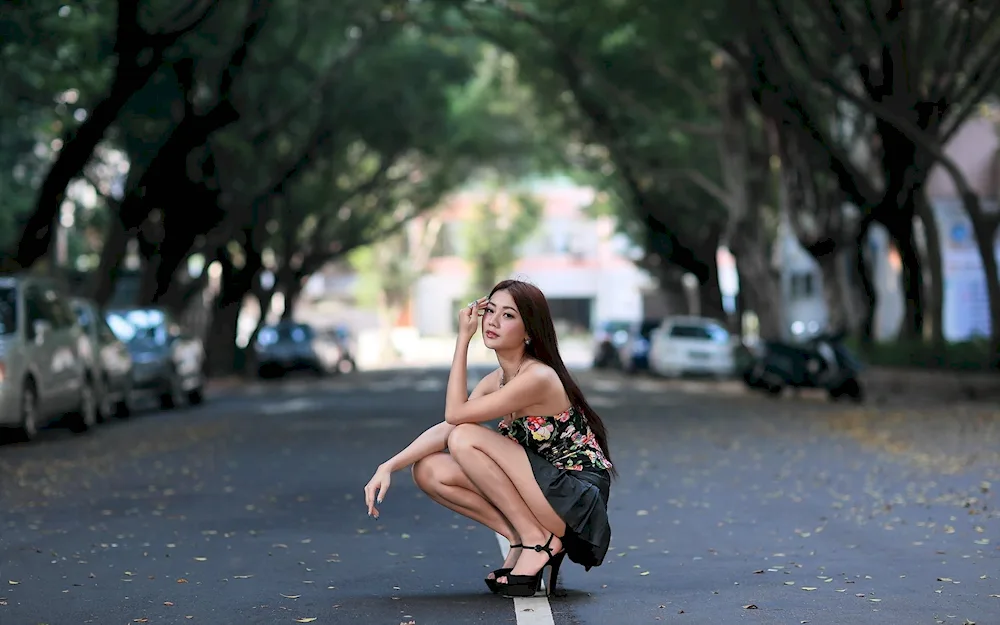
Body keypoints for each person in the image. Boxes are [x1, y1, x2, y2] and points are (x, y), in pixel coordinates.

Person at [363, 279, 614, 598]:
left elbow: (456, 417)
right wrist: (388, 466)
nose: (493, 321)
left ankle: (539, 541)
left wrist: (462, 340)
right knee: (427, 470)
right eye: (490, 310)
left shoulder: (537, 376)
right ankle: (522, 538)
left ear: (528, 331)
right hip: (540, 489)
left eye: (508, 315)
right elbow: (447, 426)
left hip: (575, 498)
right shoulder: (497, 380)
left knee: (466, 437)